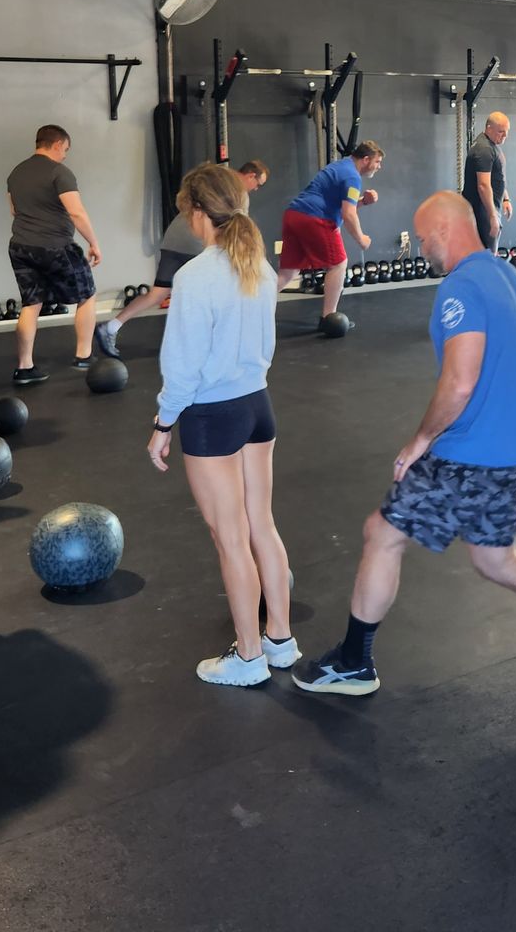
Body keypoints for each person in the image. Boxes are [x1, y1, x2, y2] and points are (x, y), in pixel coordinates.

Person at [294, 192, 516, 699]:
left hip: (471, 455)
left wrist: (420, 440)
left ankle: (354, 662)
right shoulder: (506, 275)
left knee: (382, 534)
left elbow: (460, 382)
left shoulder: (460, 287)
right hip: (514, 450)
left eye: (421, 236)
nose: (420, 247)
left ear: (442, 229)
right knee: (495, 560)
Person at [146, 164, 292, 687]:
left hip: (212, 416)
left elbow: (182, 365)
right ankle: (280, 640)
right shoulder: (262, 268)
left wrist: (164, 423)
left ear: (197, 213)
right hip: (257, 407)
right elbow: (266, 351)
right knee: (262, 526)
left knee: (230, 539)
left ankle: (249, 658)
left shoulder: (194, 277)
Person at [98, 160, 267, 359]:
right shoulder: (237, 194)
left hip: (174, 240)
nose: (256, 189)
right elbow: (232, 230)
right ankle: (203, 343)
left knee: (158, 294)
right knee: (212, 293)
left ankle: (110, 327)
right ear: (250, 176)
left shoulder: (214, 179)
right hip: (197, 244)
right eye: (258, 184)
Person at [4, 124, 102, 386]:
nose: (66, 155)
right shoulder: (60, 172)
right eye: (66, 149)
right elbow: (76, 212)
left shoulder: (17, 172)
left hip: (21, 246)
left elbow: (14, 210)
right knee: (87, 295)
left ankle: (25, 367)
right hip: (55, 246)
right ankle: (84, 355)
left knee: (31, 303)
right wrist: (93, 242)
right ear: (57, 144)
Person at [275, 141, 384, 333]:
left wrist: (363, 202)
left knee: (289, 273)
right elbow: (348, 215)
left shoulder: (341, 166)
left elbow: (340, 207)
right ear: (366, 160)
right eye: (377, 162)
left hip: (294, 215)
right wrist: (361, 239)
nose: (379, 166)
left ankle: (251, 307)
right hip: (313, 218)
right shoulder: (352, 177)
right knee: (338, 264)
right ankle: (328, 318)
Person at [464, 111, 513, 251]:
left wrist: (505, 199)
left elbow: (497, 177)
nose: (505, 136)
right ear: (489, 128)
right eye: (501, 132)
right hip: (483, 212)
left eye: (506, 131)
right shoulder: (484, 149)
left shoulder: (490, 145)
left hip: (489, 208)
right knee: (486, 255)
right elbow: (483, 185)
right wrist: (492, 216)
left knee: (489, 254)